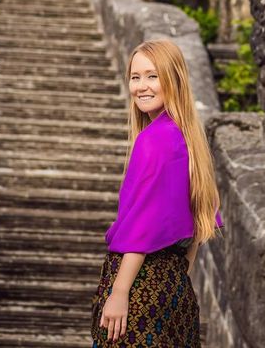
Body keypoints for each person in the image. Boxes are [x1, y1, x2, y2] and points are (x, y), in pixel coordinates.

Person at [91, 39, 224, 347]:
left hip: (139, 290)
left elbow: (142, 225)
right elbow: (202, 219)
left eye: (152, 76)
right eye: (135, 77)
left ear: (173, 79)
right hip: (176, 292)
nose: (141, 86)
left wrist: (120, 291)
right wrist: (178, 272)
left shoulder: (155, 140)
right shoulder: (187, 139)